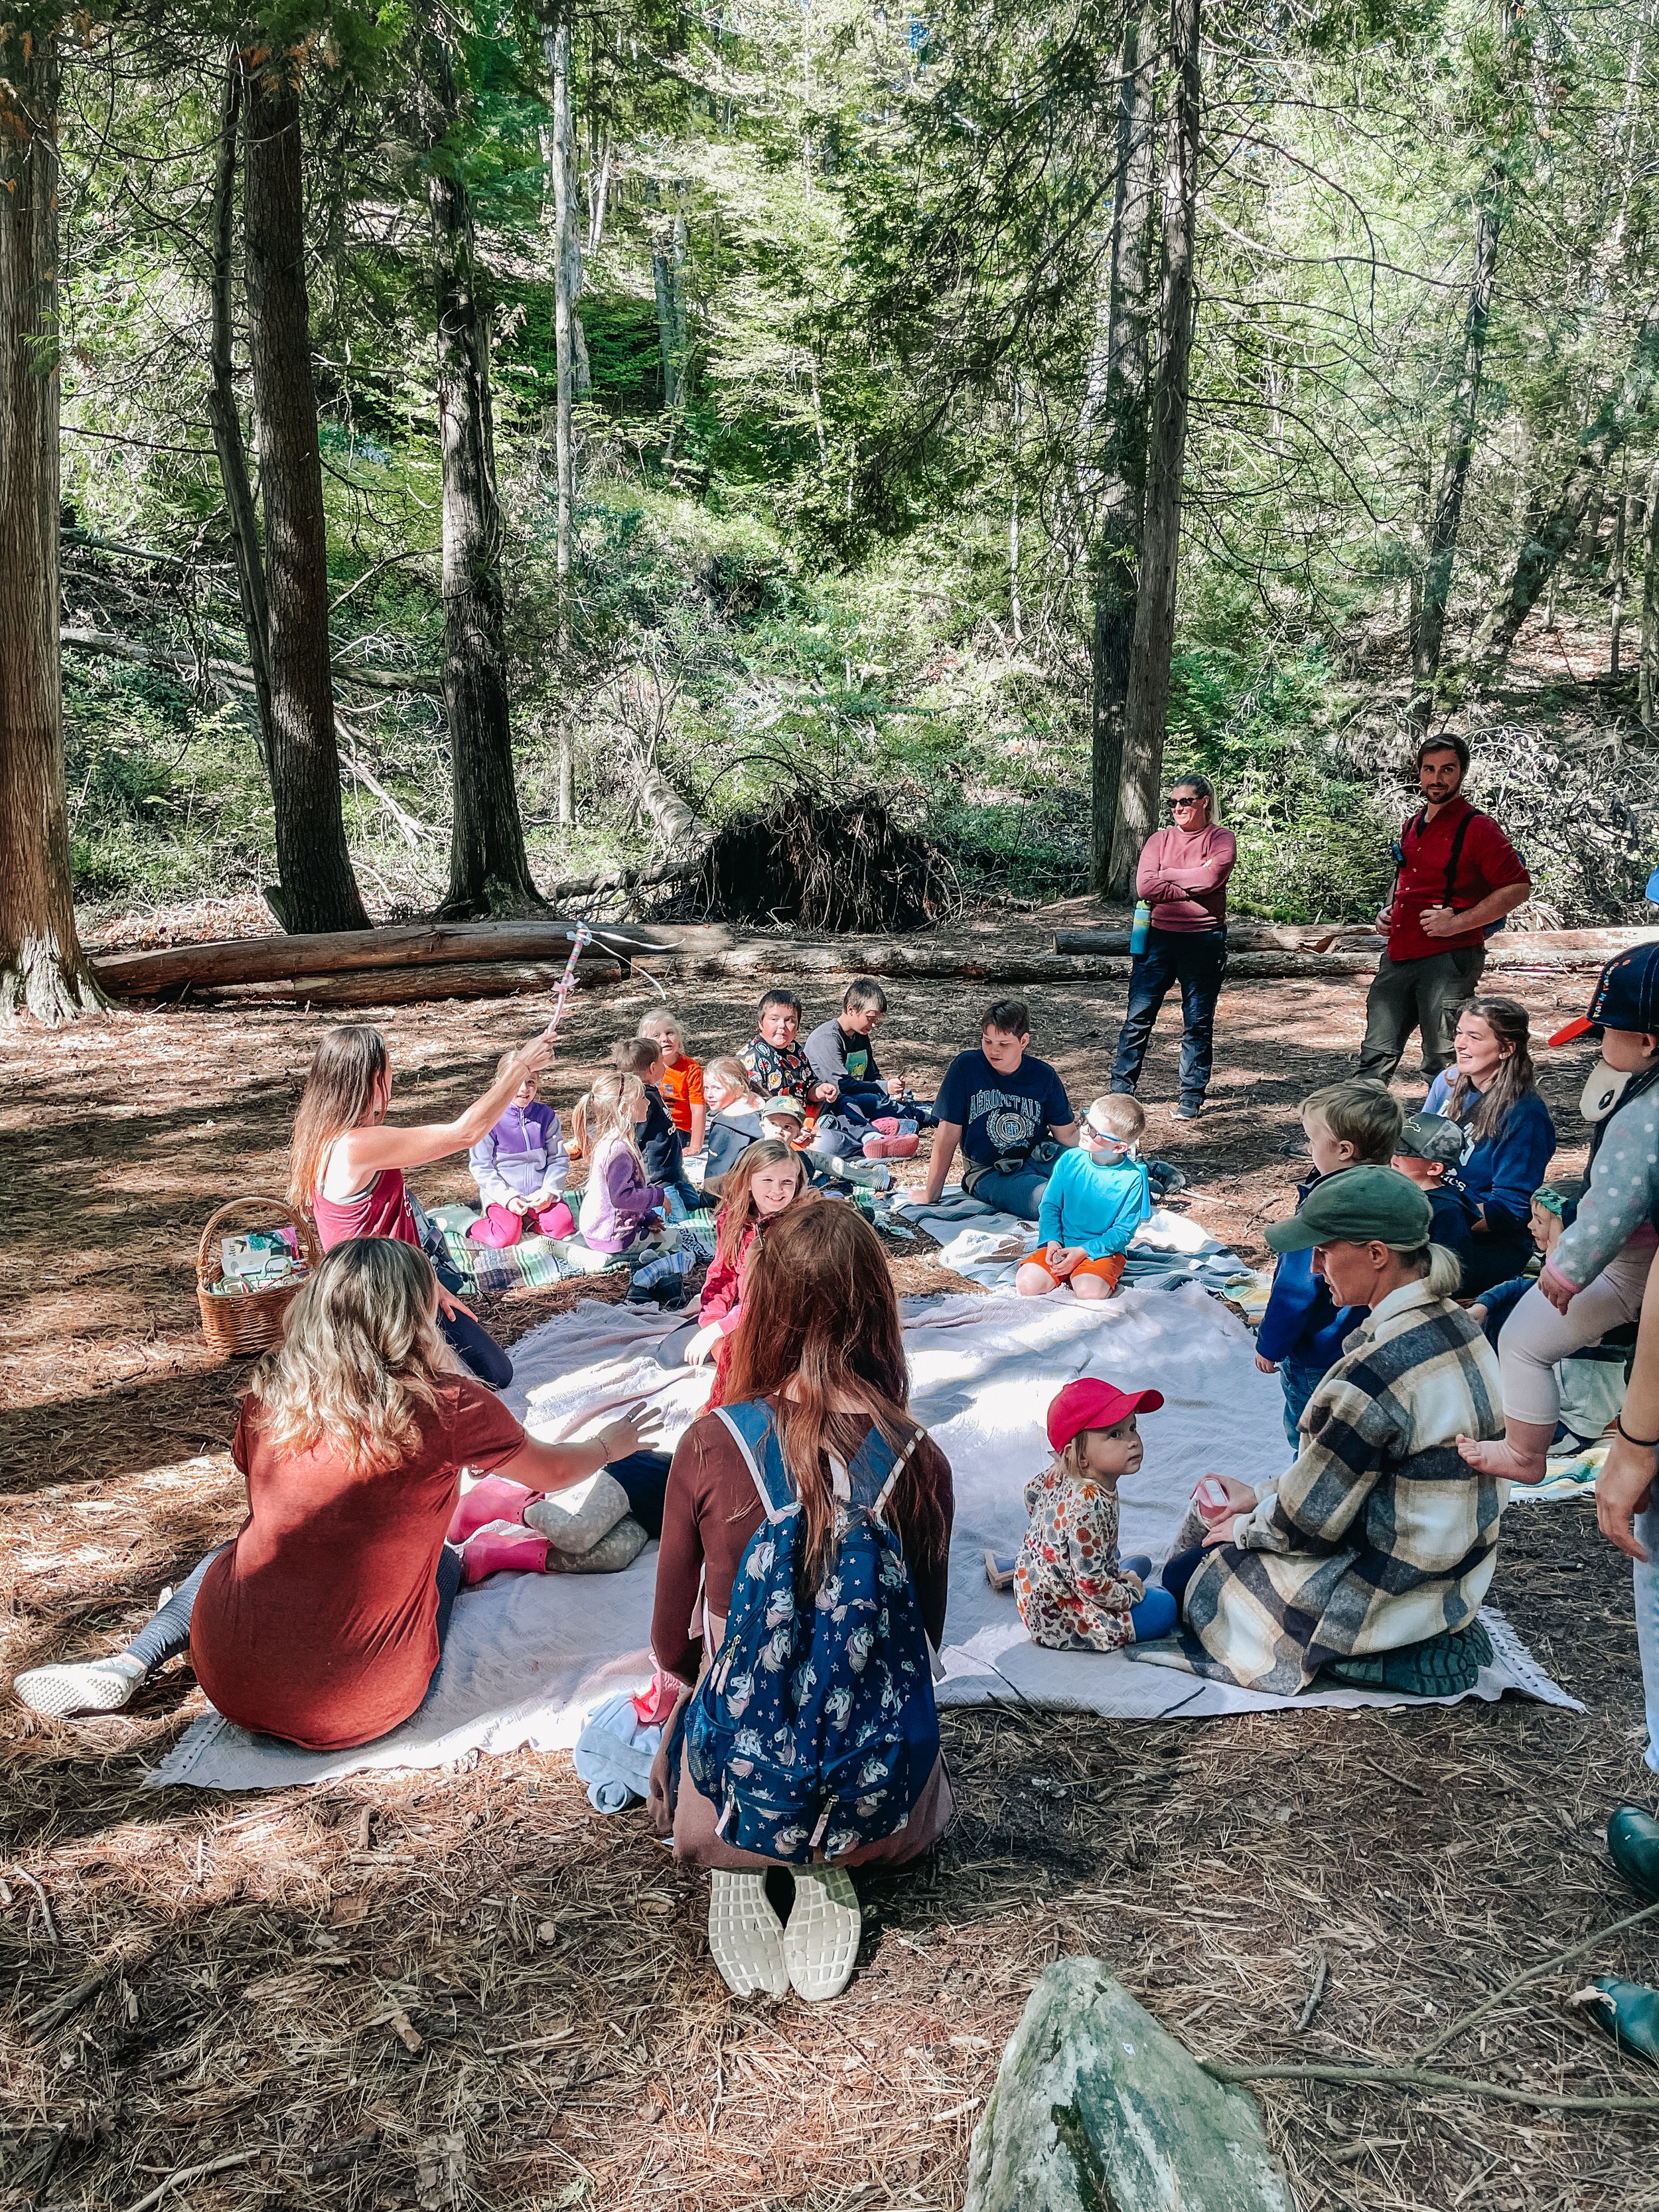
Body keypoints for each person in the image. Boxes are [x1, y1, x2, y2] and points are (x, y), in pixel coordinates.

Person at [13, 1240, 660, 1733]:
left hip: (228, 1683)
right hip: (363, 1702)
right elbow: (554, 1471)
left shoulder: (268, 1393)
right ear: (414, 1318)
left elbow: (274, 1512)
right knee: (437, 1562)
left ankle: (131, 1662)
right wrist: (612, 1443)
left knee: (236, 1556)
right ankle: (480, 1558)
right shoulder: (446, 1405)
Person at [649, 1205, 954, 2002]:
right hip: (878, 1784)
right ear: (879, 1309)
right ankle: (838, 1858)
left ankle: (740, 1845)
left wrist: (716, 1682)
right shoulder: (920, 1458)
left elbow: (666, 1646)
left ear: (766, 1305)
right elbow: (924, 1642)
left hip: (735, 1763)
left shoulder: (712, 1441)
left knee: (704, 1699)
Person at [1163, 1166, 1505, 1694]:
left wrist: (1245, 1525)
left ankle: (1373, 1654)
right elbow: (1347, 1475)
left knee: (1187, 1577)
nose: (1317, 1268)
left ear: (1376, 1254)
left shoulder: (1373, 1371)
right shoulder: (1460, 1324)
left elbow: (1309, 1521)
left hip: (1387, 1582)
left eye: (1324, 1250)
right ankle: (1426, 1631)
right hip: (1455, 1574)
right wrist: (1257, 1495)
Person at [1457, 946, 1659, 1484]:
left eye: (1605, 1034)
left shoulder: (1642, 1115)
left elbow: (1612, 1205)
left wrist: (1565, 1268)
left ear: (1646, 1041)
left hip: (1630, 1265)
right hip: (1640, 1263)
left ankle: (1524, 1453)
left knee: (1524, 1341)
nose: (1598, 1048)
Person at [291, 1023, 554, 1388]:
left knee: (496, 1372)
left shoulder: (328, 1134)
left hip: (403, 1280)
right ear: (371, 1078)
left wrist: (431, 1282)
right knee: (459, 1389)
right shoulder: (354, 1146)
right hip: (375, 1301)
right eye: (387, 1068)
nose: (393, 1076)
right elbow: (464, 1133)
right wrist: (520, 1068)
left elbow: (391, 1223)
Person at [1358, 736, 1531, 1084]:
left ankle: (1449, 1134)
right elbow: (1405, 875)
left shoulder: (1478, 827)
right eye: (1429, 769)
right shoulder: (1412, 824)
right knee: (1375, 1053)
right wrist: (1387, 909)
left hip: (1449, 959)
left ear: (1462, 773)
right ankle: (1360, 1134)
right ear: (1419, 773)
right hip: (1399, 954)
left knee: (1445, 1057)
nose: (1437, 778)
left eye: (1447, 769)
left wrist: (1458, 924)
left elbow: (1517, 888)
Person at [1254, 1079, 1403, 1451]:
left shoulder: (1325, 1208)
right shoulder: (1398, 1196)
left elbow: (1296, 1288)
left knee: (1310, 1440)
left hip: (1318, 1351)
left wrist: (1270, 1345)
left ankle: (1300, 1501)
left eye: (1312, 1140)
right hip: (1377, 1345)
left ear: (1343, 1150)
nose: (1308, 1148)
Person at [1013, 1380, 1180, 1653]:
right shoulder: (1088, 1508)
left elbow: (1031, 1493)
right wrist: (1131, 1594)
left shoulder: (1060, 1472)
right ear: (1080, 1457)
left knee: (1136, 1563)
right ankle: (1120, 1587)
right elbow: (1089, 1584)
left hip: (1033, 1585)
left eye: (1132, 1428)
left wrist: (1051, 1546)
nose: (1133, 1442)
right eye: (1115, 1435)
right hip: (1061, 1616)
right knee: (1165, 1606)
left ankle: (1113, 1572)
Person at [1110, 774, 1236, 1121]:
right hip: (1158, 940)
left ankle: (1191, 1095)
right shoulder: (1160, 839)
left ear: (1204, 801)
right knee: (1138, 1017)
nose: (1178, 808)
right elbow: (1145, 886)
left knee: (1198, 1021)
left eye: (1185, 802)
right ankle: (1120, 1091)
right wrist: (1193, 881)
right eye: (1172, 803)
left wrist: (1169, 875)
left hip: (1204, 940)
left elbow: (1212, 879)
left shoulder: (1221, 838)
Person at [1421, 996, 1556, 1295]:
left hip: (1484, 1245)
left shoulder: (1525, 1116)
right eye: (1459, 1033)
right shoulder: (1447, 1082)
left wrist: (1438, 1223)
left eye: (1475, 1037)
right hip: (1429, 1220)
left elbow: (1510, 1209)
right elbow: (1415, 1150)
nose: (1460, 1044)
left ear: (1506, 1049)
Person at [657, 1140, 813, 1380]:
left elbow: (774, 1298)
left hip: (781, 1318)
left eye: (787, 1182)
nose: (777, 1190)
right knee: (669, 1355)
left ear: (797, 1184)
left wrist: (720, 1331)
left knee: (752, 1371)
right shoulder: (732, 1218)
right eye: (767, 1180)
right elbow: (722, 1274)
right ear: (748, 1181)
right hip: (740, 1313)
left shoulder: (799, 1228)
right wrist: (712, 1322)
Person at [918, 997, 1078, 1222]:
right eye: (987, 1041)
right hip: (989, 1171)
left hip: (1039, 1156)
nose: (993, 1051)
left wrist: (1095, 1157)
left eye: (1003, 1044)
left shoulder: (1044, 1075)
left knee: (1092, 1179)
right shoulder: (966, 1068)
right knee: (1049, 1200)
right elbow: (947, 1134)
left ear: (1023, 1041)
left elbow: (1068, 1135)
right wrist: (931, 1193)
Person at [1015, 1094, 1151, 1301]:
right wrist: (1052, 1240)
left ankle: (1087, 1274)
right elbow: (1050, 1205)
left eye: (1095, 1131)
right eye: (1086, 1121)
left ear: (1119, 1147)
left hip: (1102, 1251)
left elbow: (1123, 1232)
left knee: (1090, 1292)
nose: (1085, 1130)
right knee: (1026, 1284)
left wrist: (1083, 1252)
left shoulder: (1132, 1178)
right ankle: (1071, 1273)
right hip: (1060, 1244)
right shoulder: (1070, 1159)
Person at [467, 1053, 575, 1250]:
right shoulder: (489, 1120)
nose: (524, 1089)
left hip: (537, 1195)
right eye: (517, 1082)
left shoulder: (546, 1117)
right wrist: (507, 1198)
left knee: (563, 1227)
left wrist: (549, 1191)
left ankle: (528, 1221)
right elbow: (481, 1166)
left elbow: (558, 1158)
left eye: (531, 1082)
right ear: (501, 1083)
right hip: (504, 1195)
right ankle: (467, 1223)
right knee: (504, 1238)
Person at [573, 1072, 666, 1255]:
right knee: (673, 1241)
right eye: (642, 1098)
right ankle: (601, 1258)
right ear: (625, 1108)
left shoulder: (613, 1141)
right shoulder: (619, 1152)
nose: (648, 1103)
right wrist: (658, 1197)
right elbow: (622, 1197)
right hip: (613, 1236)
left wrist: (646, 1217)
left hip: (598, 1229)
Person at [611, 1038, 700, 1212]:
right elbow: (635, 1138)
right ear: (653, 1068)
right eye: (662, 1063)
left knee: (694, 1204)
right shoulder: (642, 1100)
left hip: (674, 1171)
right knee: (674, 1218)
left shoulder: (652, 1092)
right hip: (658, 1178)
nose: (665, 1067)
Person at [1389, 1112, 1478, 1277]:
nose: (1394, 1158)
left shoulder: (1447, 1212)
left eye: (1405, 1152)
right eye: (1394, 1148)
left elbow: (1451, 1271)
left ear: (1434, 1168)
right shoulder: (1395, 1189)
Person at [638, 1009, 706, 1156]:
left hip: (676, 1129)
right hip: (647, 1124)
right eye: (656, 1035)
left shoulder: (690, 1069)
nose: (665, 1039)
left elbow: (698, 1110)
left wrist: (695, 1146)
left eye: (670, 1033)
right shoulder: (643, 1067)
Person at [701, 1057, 768, 1189]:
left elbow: (717, 1173)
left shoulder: (725, 1128)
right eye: (706, 1088)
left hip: (733, 1196)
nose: (709, 1095)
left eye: (716, 1088)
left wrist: (707, 1199)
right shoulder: (763, 1109)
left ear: (738, 1089)